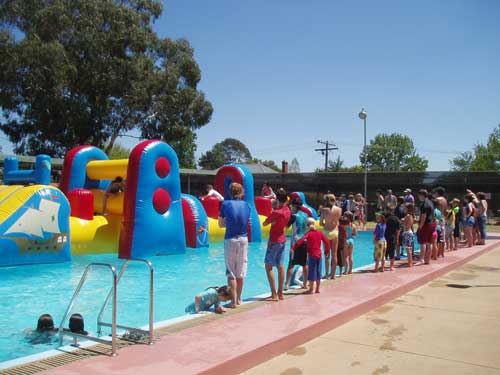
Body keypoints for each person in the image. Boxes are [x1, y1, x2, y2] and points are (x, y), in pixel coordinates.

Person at [218, 182, 251, 307]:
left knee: (231, 273)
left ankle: (233, 301)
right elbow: (245, 222)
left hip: (230, 239)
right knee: (240, 272)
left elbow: (220, 224)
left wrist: (228, 223)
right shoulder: (247, 205)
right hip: (243, 240)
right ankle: (239, 299)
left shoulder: (225, 204)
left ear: (230, 192)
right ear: (241, 192)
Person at [263, 188, 291, 301]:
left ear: (277, 200)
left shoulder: (276, 212)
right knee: (280, 266)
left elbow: (265, 223)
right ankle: (280, 293)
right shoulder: (287, 210)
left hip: (274, 240)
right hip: (283, 240)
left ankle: (274, 293)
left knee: (268, 267)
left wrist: (272, 219)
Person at [291, 218, 329, 294]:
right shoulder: (320, 233)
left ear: (308, 226)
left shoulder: (308, 234)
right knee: (318, 272)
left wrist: (293, 248)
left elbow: (300, 241)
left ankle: (311, 289)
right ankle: (317, 289)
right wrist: (326, 251)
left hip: (312, 256)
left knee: (312, 272)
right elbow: (326, 242)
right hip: (319, 255)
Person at [285, 198, 309, 290]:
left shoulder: (294, 216)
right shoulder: (306, 215)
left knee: (291, 263)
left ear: (295, 206)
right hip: (304, 241)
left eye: (292, 206)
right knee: (304, 263)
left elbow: (286, 227)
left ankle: (287, 284)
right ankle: (305, 284)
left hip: (295, 243)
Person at [319, 194, 342, 279]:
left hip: (326, 232)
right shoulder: (339, 209)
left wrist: (325, 224)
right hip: (335, 231)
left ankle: (327, 274)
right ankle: (333, 275)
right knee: (334, 254)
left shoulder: (324, 210)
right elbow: (337, 221)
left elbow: (321, 223)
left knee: (327, 254)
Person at [417, 189, 436, 264]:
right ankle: (427, 260)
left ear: (422, 195)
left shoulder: (424, 204)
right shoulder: (431, 202)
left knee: (423, 242)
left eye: (419, 195)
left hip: (426, 224)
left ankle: (421, 259)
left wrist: (420, 227)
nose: (418, 197)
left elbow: (423, 216)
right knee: (429, 243)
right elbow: (433, 214)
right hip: (432, 224)